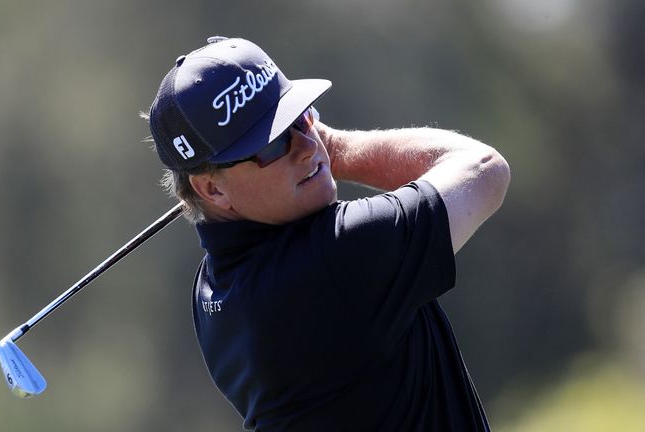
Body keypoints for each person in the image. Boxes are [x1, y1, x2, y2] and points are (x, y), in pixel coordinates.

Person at [144, 36, 510, 431]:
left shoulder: (211, 291)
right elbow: (483, 168)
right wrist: (335, 146)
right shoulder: (333, 260)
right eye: (273, 142)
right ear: (212, 189)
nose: (306, 145)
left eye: (301, 118)